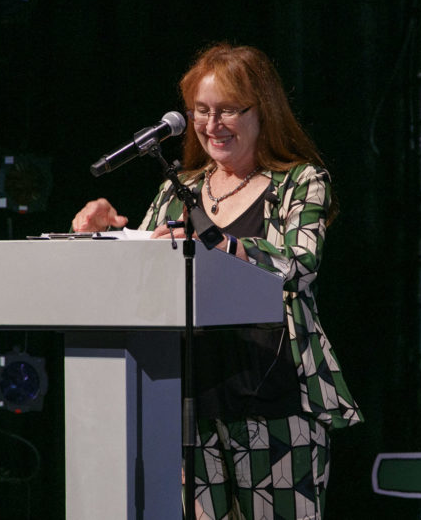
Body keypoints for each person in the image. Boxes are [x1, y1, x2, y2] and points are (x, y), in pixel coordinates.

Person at [71, 42, 362, 519]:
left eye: (228, 110)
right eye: (201, 111)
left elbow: (298, 264)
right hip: (191, 395)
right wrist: (100, 235)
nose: (211, 125)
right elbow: (140, 277)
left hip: (275, 391)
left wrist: (219, 244)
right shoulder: (177, 188)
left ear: (262, 109)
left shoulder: (300, 181)